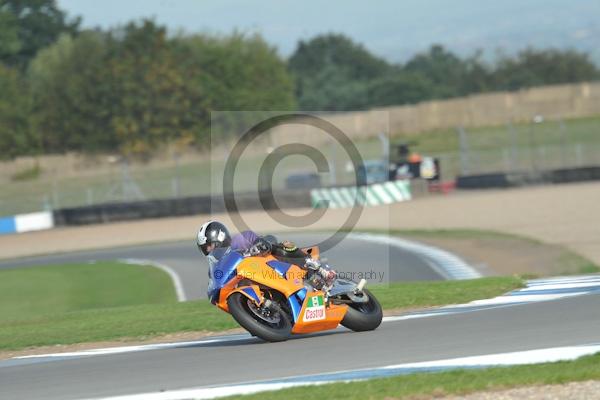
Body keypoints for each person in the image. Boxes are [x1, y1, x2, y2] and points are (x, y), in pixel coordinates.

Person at [196, 220, 336, 285]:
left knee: (281, 247)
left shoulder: (239, 240)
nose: (208, 251)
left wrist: (259, 245)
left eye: (208, 246)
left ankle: (316, 266)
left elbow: (266, 240)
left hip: (270, 266)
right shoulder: (215, 269)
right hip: (255, 280)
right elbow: (215, 284)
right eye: (205, 249)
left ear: (219, 237)